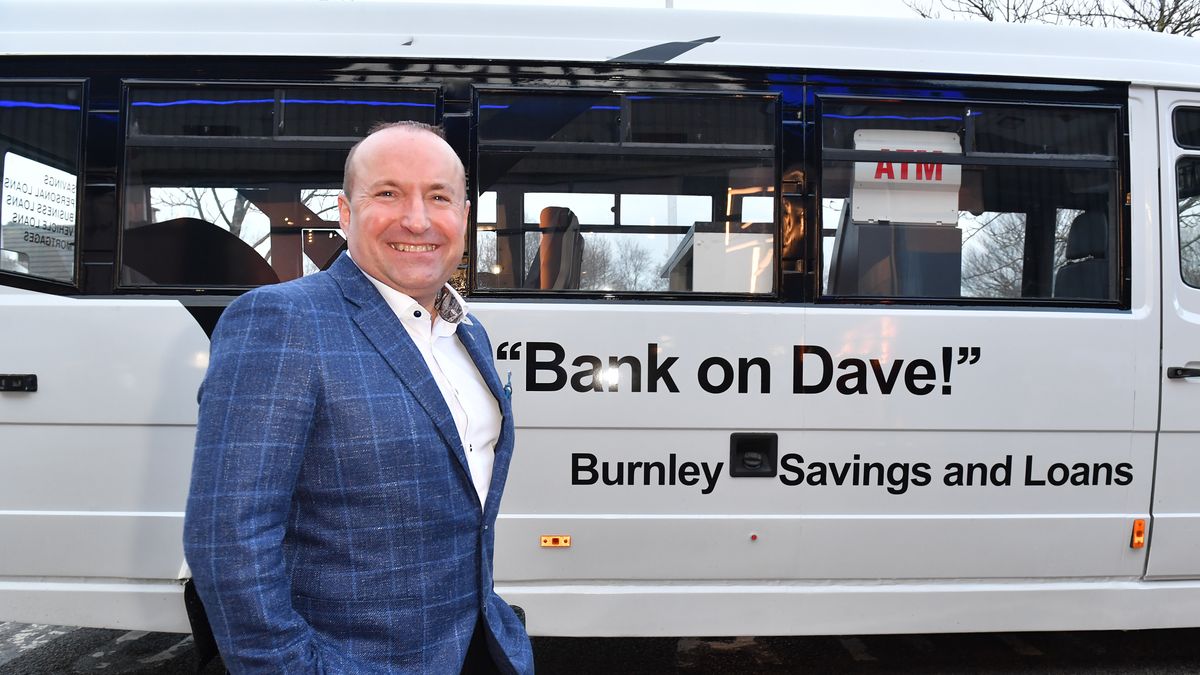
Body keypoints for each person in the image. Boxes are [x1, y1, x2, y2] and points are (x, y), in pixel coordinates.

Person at [183, 121, 534, 674]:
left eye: (438, 197)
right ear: (347, 214)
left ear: (463, 219)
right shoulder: (281, 320)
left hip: (474, 648)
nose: (416, 219)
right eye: (388, 193)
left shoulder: (468, 331)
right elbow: (228, 543)